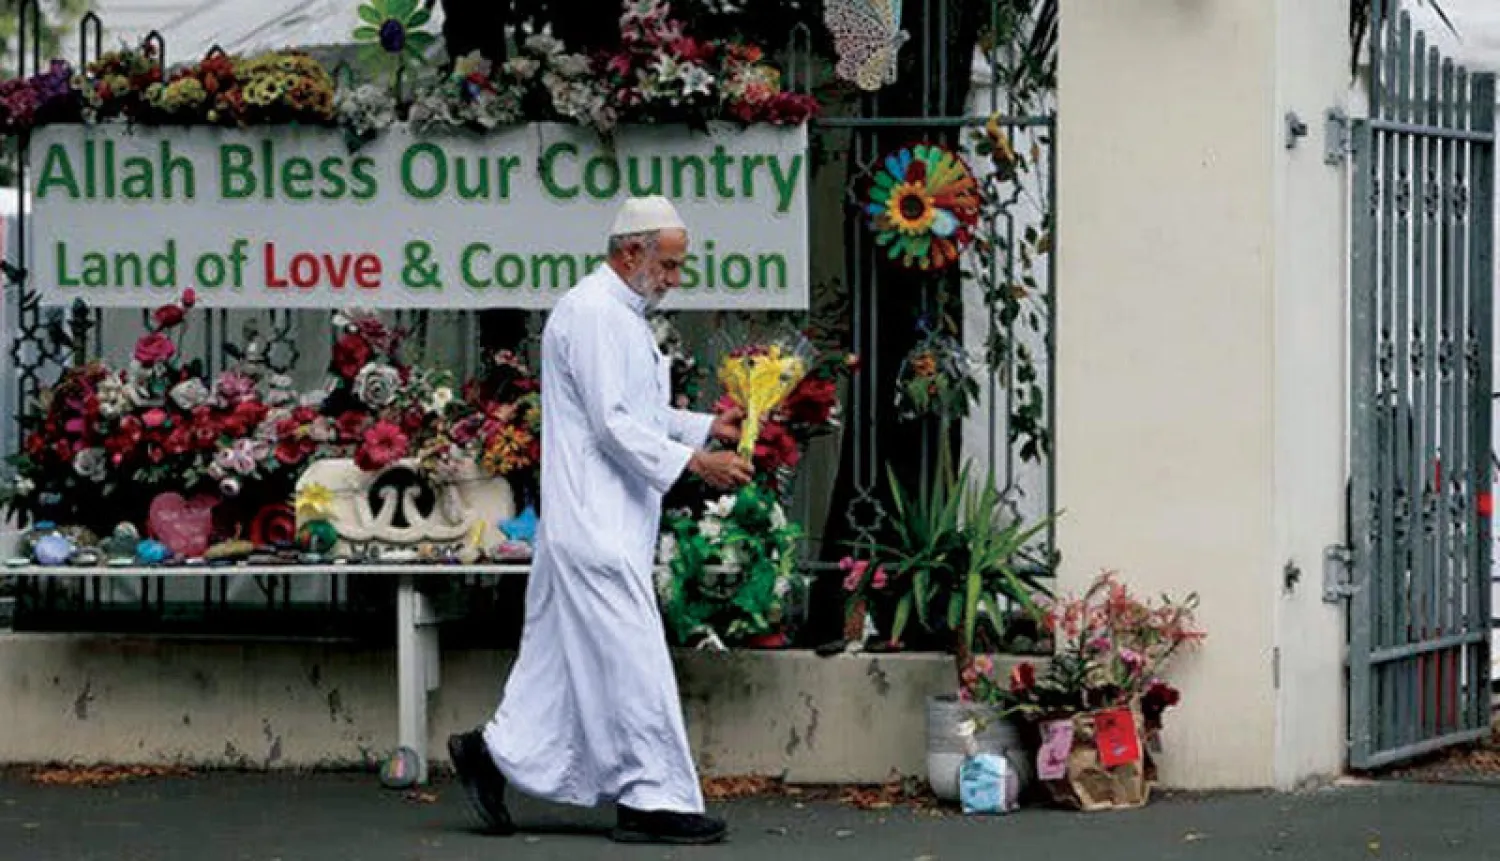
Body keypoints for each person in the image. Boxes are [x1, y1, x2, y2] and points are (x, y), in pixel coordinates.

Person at [447, 196, 753, 846]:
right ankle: (652, 796)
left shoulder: (615, 312)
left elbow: (631, 412)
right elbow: (615, 425)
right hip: (596, 524)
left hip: (595, 519)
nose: (674, 278)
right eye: (667, 265)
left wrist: (704, 425)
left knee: (556, 668)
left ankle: (491, 753)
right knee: (632, 659)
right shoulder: (592, 313)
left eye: (676, 266)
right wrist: (698, 462)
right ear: (630, 252)